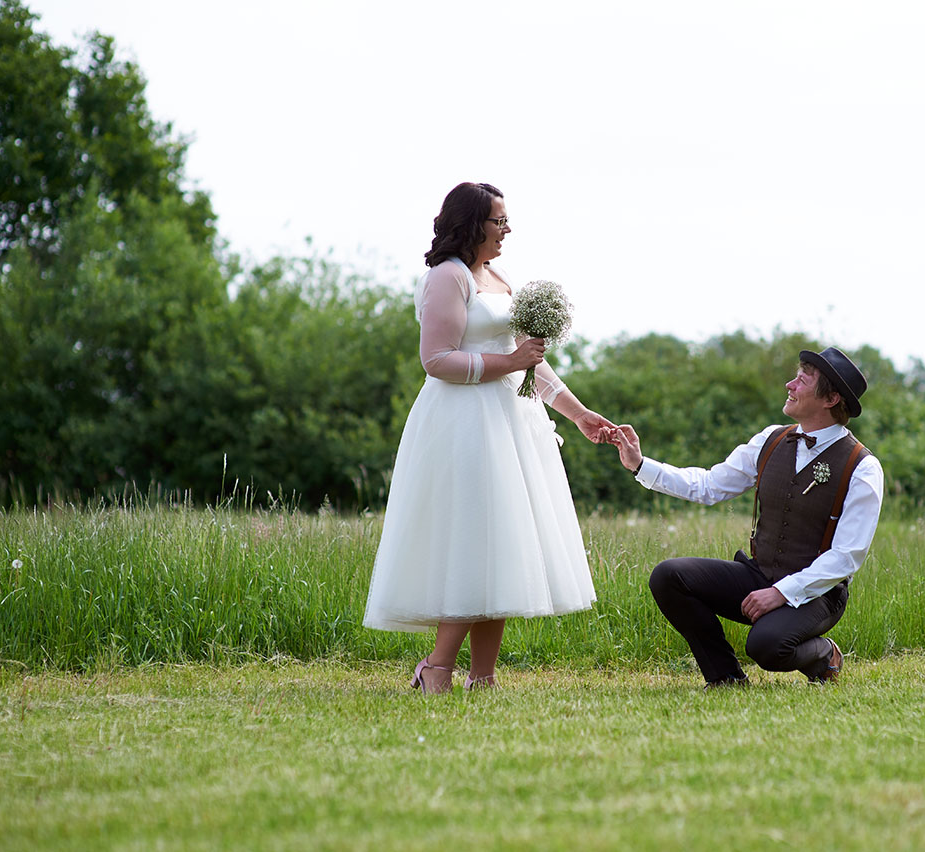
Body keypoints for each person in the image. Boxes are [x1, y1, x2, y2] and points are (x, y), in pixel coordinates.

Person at [363, 182, 615, 693]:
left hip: (511, 424)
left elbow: (531, 366)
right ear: (473, 223)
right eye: (498, 220)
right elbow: (437, 360)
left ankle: (483, 676)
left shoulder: (498, 277)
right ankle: (436, 666)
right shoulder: (447, 278)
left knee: (501, 540)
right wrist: (509, 362)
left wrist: (578, 413)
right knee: (471, 539)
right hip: (462, 424)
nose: (507, 229)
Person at [608, 348, 883, 688]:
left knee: (766, 646)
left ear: (831, 398)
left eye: (801, 380)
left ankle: (824, 654)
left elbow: (846, 557)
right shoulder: (770, 440)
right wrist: (640, 464)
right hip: (759, 575)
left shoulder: (862, 467)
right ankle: (725, 677)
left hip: (817, 595)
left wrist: (782, 592)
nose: (790, 384)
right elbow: (708, 485)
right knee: (669, 576)